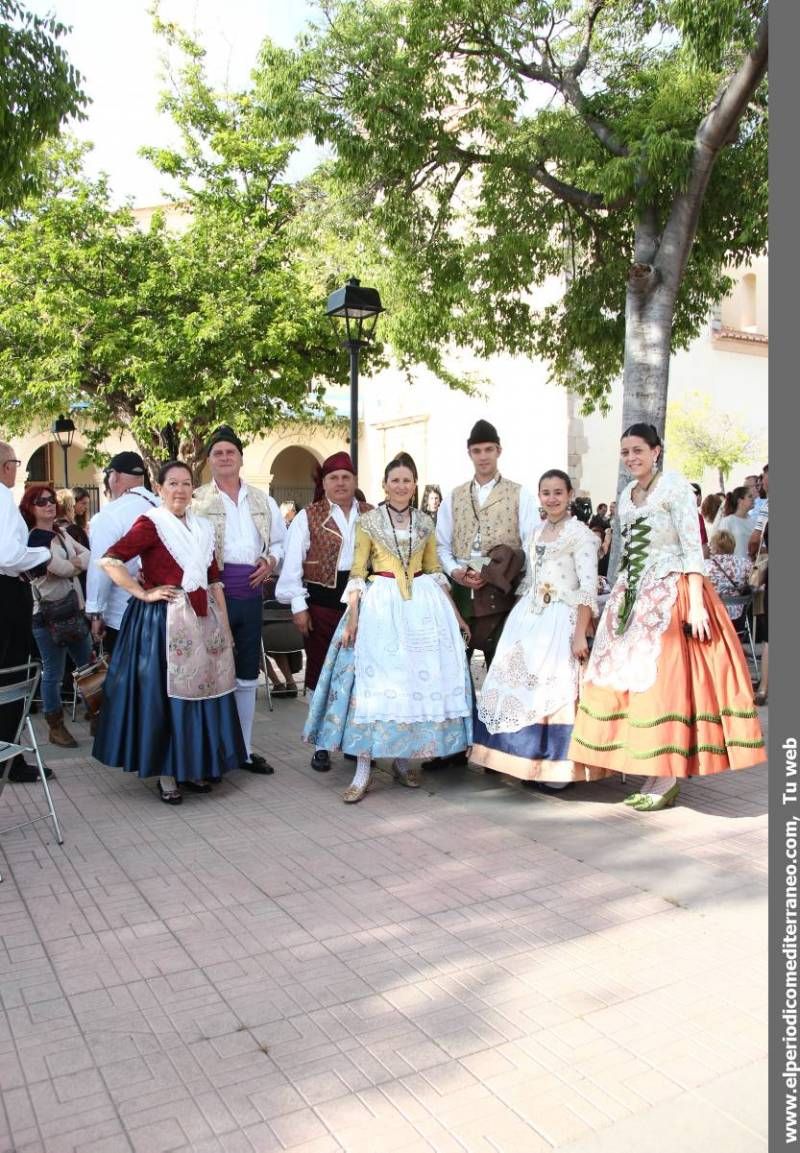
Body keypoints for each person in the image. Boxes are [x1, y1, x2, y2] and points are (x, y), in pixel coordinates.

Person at [568, 423, 766, 811]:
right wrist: (615, 592)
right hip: (633, 594)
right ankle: (648, 769)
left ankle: (668, 776)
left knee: (663, 685)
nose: (631, 458)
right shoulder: (626, 493)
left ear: (656, 451)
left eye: (638, 450)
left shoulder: (674, 487)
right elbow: (626, 550)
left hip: (669, 592)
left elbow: (693, 549)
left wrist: (693, 601)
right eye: (625, 452)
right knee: (625, 682)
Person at [303, 453, 472, 802]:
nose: (400, 486)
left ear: (414, 485)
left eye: (407, 480)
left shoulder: (425, 522)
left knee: (408, 684)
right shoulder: (369, 522)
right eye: (394, 480)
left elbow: (435, 570)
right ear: (384, 485)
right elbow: (357, 572)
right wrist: (352, 620)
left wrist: (456, 616)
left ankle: (399, 761)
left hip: (421, 610)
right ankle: (363, 768)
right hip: (380, 607)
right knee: (375, 687)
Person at [92, 461, 244, 803]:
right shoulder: (151, 524)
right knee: (166, 697)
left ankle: (193, 767)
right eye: (172, 483)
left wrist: (226, 628)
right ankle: (167, 773)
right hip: (164, 622)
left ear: (193, 489)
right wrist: (144, 592)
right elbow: (111, 560)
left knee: (204, 693)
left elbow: (215, 579)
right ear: (159, 489)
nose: (179, 490)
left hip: (204, 621)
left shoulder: (203, 527)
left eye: (186, 484)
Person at [471, 470, 606, 788]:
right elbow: (530, 580)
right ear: (539, 496)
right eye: (546, 492)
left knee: (552, 686)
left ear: (570, 494)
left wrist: (579, 634)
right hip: (530, 616)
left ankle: (555, 767)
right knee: (520, 683)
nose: (552, 498)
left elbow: (587, 587)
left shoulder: (582, 536)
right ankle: (524, 762)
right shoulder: (534, 534)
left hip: (562, 616)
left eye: (558, 492)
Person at [432, 419, 539, 768]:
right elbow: (441, 545)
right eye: (477, 451)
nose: (482, 457)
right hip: (463, 590)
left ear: (498, 451)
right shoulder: (454, 496)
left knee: (503, 668)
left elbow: (531, 543)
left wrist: (523, 591)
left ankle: (505, 751)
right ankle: (454, 747)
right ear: (469, 453)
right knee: (455, 669)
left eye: (488, 450)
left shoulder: (520, 493)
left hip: (501, 589)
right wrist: (455, 571)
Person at [193, 426, 286, 775]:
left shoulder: (264, 500)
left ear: (241, 458)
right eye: (218, 453)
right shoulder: (197, 499)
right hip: (212, 593)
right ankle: (215, 749)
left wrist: (271, 561)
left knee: (247, 671)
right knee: (212, 671)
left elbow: (280, 542)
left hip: (250, 591)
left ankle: (244, 749)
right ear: (209, 461)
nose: (225, 457)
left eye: (230, 452)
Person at [275, 451, 373, 771]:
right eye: (334, 478)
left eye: (346, 477)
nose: (341, 483)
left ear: (355, 481)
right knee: (321, 673)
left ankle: (352, 739)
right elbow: (291, 568)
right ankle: (320, 743)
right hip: (321, 603)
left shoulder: (372, 514)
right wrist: (299, 606)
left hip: (364, 605)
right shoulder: (309, 516)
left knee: (360, 674)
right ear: (324, 483)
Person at [0, 442, 56, 782]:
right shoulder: (3, 497)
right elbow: (8, 555)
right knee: (12, 677)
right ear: (7, 466)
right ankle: (9, 760)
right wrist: (41, 555)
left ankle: (10, 756)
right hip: (6, 593)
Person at [20, 485, 92, 748]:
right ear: (31, 507)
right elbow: (60, 567)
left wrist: (69, 566)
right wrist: (72, 566)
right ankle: (55, 726)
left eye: (51, 500)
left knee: (89, 665)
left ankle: (98, 715)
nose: (49, 504)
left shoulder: (61, 532)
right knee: (54, 672)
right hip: (47, 615)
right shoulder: (34, 539)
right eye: (41, 501)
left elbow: (87, 556)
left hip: (72, 610)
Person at [85, 452, 159, 655]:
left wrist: (95, 613)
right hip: (163, 613)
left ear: (114, 476)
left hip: (123, 615)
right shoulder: (162, 506)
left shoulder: (110, 515)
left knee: (125, 682)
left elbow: (101, 568)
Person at [704, 530, 753, 632]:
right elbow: (753, 583)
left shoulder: (706, 565)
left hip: (715, 614)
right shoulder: (745, 563)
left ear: (715, 547)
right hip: (739, 615)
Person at [718, 486, 755, 557]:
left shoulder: (753, 521)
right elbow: (721, 548)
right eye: (750, 496)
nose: (753, 499)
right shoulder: (728, 521)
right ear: (740, 500)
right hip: (734, 566)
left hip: (752, 565)